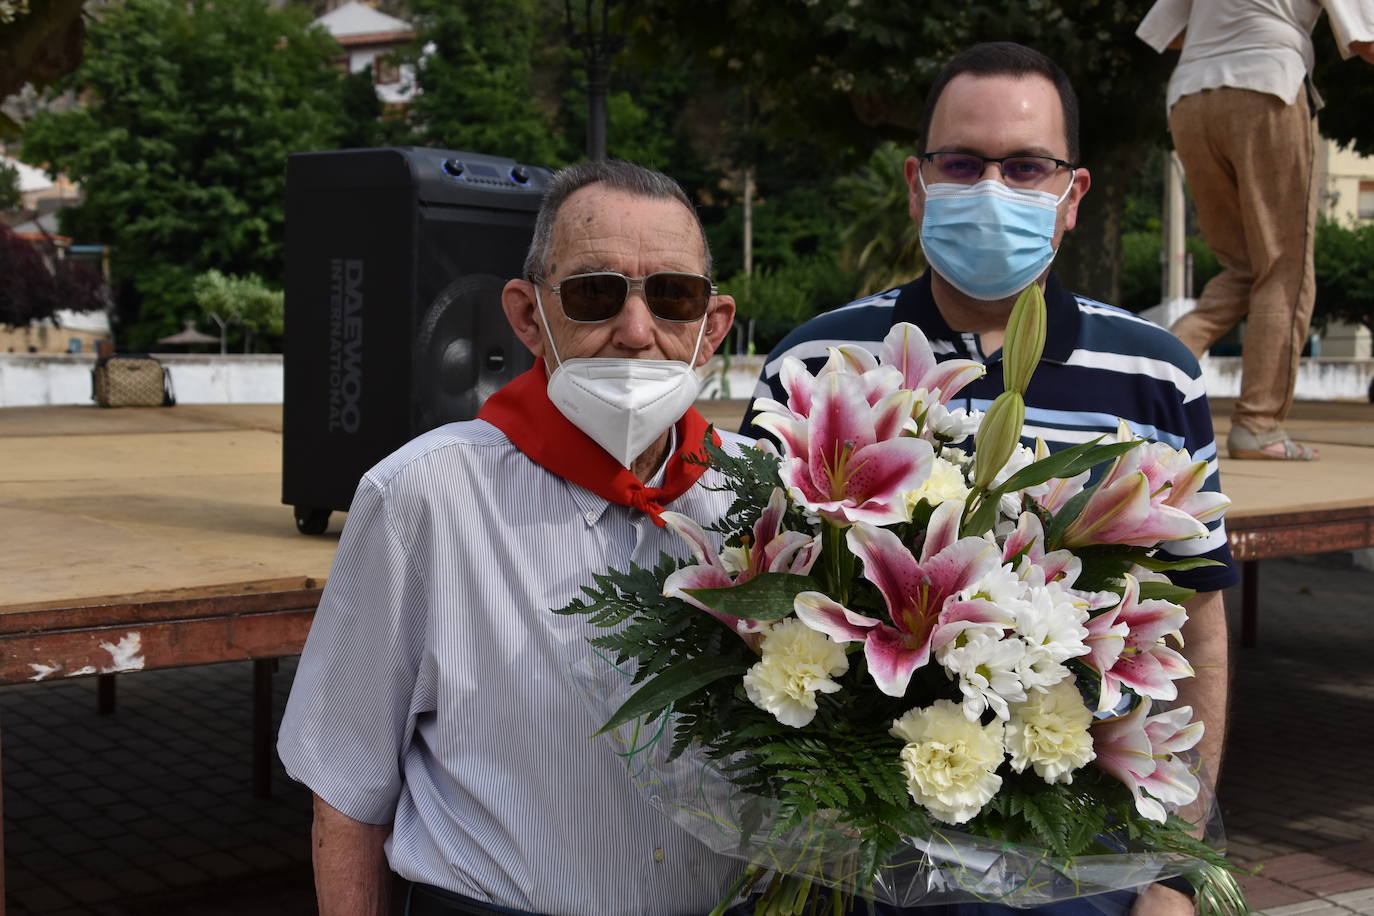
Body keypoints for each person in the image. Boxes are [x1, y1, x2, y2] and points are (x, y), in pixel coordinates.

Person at [741, 41, 1238, 916]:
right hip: (851, 855)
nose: (993, 186)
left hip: (1080, 857)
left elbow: (1196, 626)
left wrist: (1174, 869)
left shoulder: (1158, 373)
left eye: (1027, 166)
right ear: (916, 181)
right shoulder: (817, 358)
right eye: (962, 163)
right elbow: (754, 602)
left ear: (1072, 195)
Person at [278, 160, 745, 916]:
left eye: (672, 296)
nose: (635, 331)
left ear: (712, 326)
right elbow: (346, 787)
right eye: (595, 293)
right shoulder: (421, 495)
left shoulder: (772, 498)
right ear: (528, 318)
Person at [1138, 0, 1374, 460]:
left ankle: (1147, 382)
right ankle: (1258, 424)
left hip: (1190, 97)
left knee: (1243, 267)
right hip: (1267, 85)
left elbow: (1165, 33)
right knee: (1284, 265)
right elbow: (1365, 38)